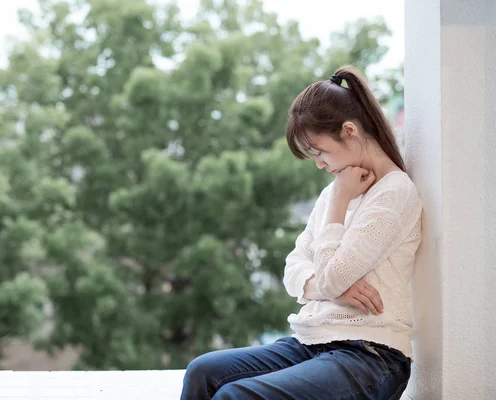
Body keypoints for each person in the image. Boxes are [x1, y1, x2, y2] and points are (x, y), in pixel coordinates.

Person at [180, 65, 422, 400]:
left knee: (236, 396)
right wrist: (325, 289)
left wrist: (339, 204)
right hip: (311, 342)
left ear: (349, 131)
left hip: (371, 356)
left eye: (320, 152)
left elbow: (333, 276)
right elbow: (294, 266)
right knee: (203, 372)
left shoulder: (392, 192)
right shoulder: (333, 192)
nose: (320, 164)